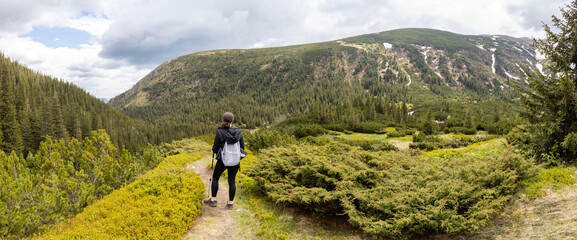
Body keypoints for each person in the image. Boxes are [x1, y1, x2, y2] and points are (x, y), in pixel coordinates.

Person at [203, 112, 244, 210]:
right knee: (232, 181)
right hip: (234, 160)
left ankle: (213, 200)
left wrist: (213, 148)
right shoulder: (238, 132)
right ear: (232, 120)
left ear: (223, 120)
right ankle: (230, 203)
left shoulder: (220, 132)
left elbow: (215, 149)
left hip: (223, 160)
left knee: (216, 177)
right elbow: (242, 148)